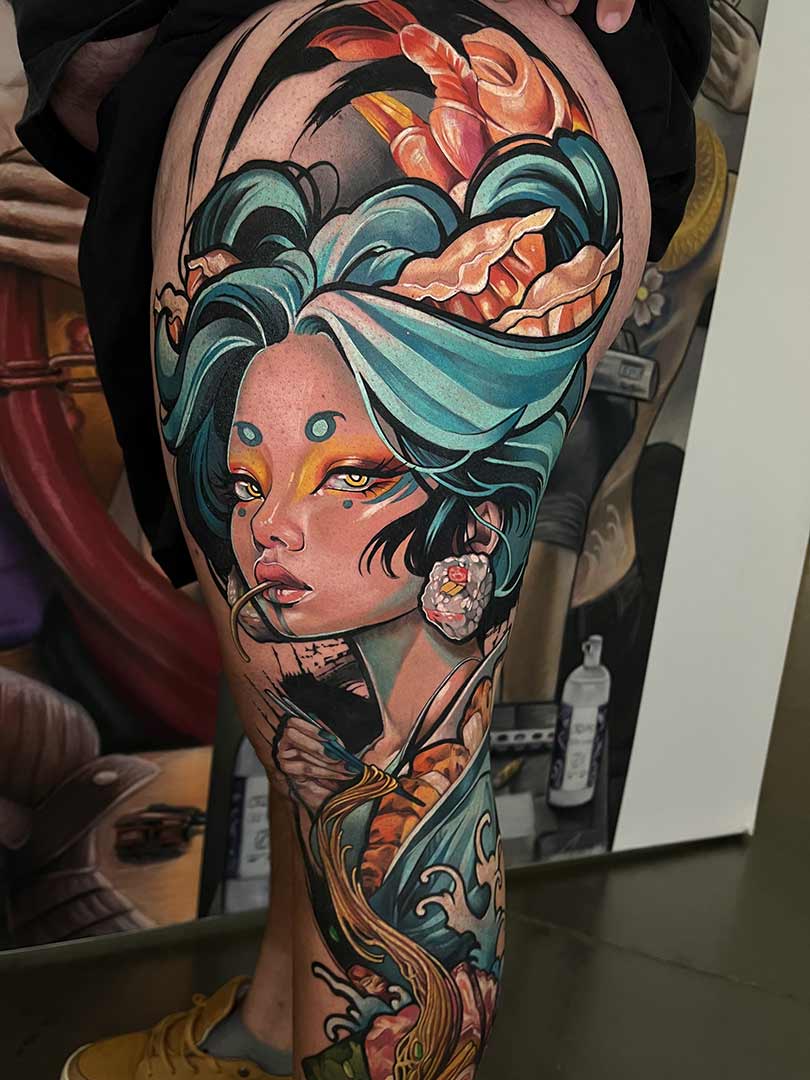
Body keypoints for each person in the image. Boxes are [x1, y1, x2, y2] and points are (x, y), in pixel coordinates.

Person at [9, 2, 710, 1078]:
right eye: (250, 479)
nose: (270, 526)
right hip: (229, 78)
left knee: (402, 786)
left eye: (351, 475)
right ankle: (276, 1034)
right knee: (330, 747)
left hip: (378, 58)